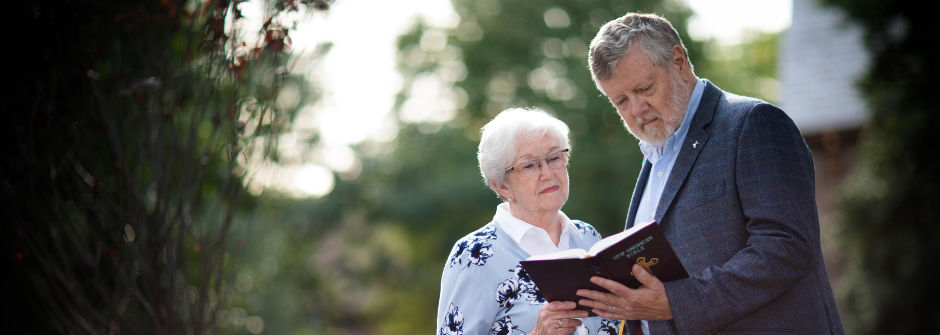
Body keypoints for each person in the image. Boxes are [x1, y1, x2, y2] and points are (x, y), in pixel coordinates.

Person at [574, 13, 845, 335]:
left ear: (678, 61)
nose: (636, 109)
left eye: (644, 88)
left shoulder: (754, 123)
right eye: (620, 101)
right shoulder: (657, 153)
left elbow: (786, 248)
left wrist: (676, 302)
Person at [437, 108, 620, 335]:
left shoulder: (587, 236)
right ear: (501, 185)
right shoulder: (474, 255)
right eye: (529, 166)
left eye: (554, 158)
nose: (548, 173)